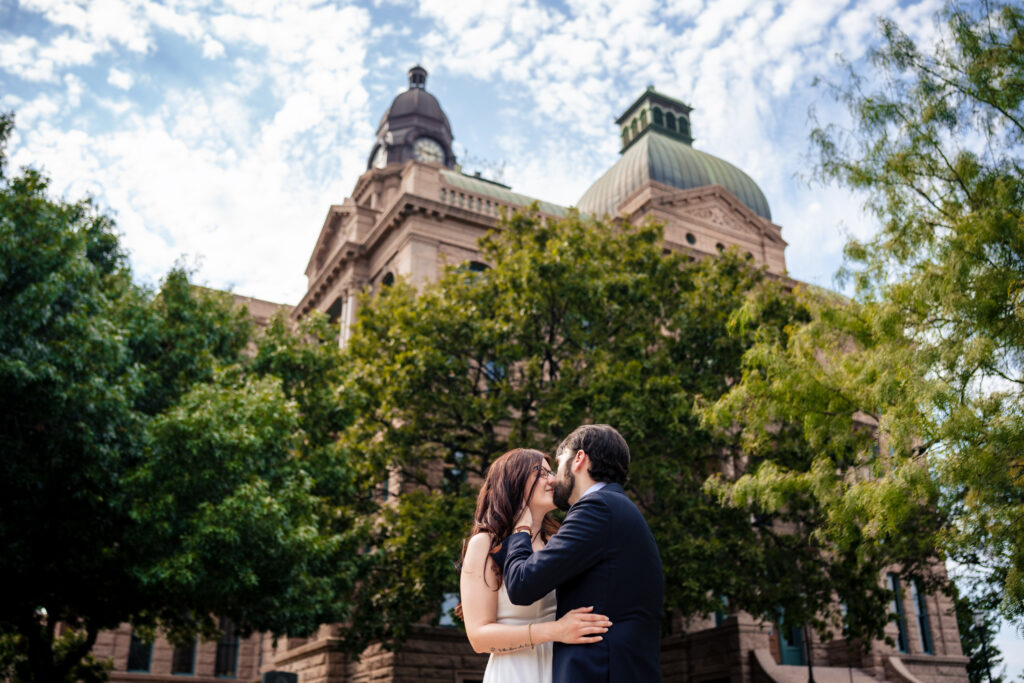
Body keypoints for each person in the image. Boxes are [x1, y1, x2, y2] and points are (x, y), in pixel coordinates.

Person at [495, 424, 664, 682]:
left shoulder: (597, 508)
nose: (552, 479)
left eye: (558, 464)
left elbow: (522, 584)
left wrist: (521, 530)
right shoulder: (616, 507)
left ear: (579, 459)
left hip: (600, 671)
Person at [460, 448, 613, 683]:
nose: (553, 480)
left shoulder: (558, 540)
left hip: (564, 668)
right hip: (515, 672)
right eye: (540, 473)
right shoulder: (484, 544)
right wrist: (556, 630)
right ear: (513, 482)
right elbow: (479, 638)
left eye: (551, 472)